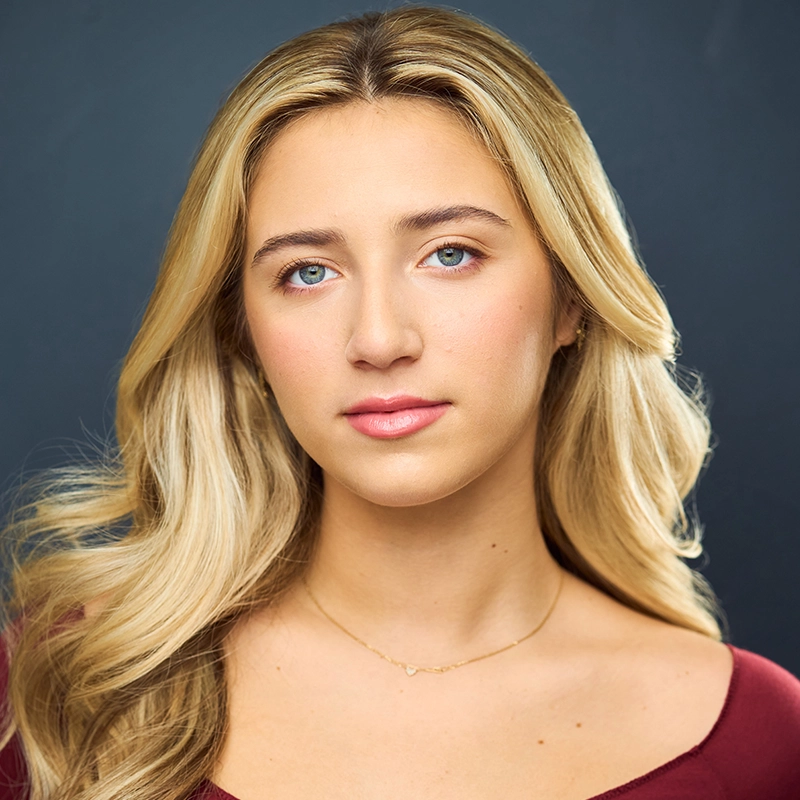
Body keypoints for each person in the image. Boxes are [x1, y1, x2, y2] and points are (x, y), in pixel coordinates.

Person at [1, 6, 798, 799]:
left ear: (572, 298)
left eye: (450, 254)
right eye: (308, 272)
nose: (379, 339)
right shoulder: (64, 686)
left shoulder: (760, 742)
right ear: (241, 330)